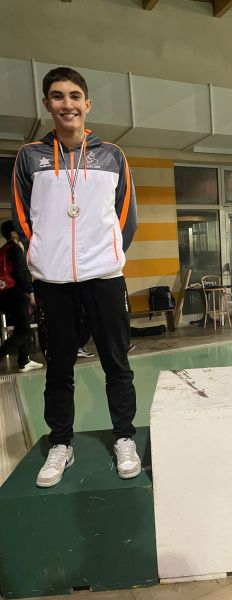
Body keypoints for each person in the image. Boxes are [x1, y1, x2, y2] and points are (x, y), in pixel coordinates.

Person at [12, 67, 140, 487]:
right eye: (57, 96)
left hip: (104, 277)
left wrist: (107, 255)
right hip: (53, 282)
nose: (66, 104)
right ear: (46, 104)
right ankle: (61, 443)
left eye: (73, 96)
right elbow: (22, 216)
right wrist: (43, 256)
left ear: (87, 104)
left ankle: (124, 436)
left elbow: (126, 216)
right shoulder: (30, 156)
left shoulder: (113, 155)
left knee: (117, 363)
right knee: (58, 368)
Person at [0, 220, 43, 373]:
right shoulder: (15, 249)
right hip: (17, 294)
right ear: (13, 233)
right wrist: (30, 292)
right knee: (23, 331)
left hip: (5, 295)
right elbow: (22, 273)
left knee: (23, 327)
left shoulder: (4, 249)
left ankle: (24, 361)